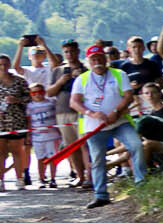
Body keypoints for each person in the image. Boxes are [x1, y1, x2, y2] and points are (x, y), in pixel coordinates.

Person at [72, 44, 145, 208]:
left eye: (100, 58)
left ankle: (141, 184)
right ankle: (101, 195)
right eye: (93, 59)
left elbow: (128, 96)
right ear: (88, 61)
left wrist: (116, 112)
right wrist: (92, 114)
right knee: (98, 159)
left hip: (120, 122)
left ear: (105, 59)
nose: (97, 61)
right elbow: (74, 102)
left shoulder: (119, 74)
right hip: (94, 126)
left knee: (136, 145)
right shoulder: (81, 79)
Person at [50, 41, 86, 187]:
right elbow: (49, 92)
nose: (69, 54)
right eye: (66, 52)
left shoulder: (85, 69)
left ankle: (90, 176)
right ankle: (80, 175)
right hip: (62, 111)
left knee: (85, 145)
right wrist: (61, 81)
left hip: (81, 111)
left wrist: (80, 77)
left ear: (78, 52)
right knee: (71, 146)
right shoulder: (58, 71)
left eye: (72, 51)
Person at [0, 55, 29, 191]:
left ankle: (20, 179)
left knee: (17, 150)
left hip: (16, 121)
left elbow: (29, 97)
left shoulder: (19, 81)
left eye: (5, 64)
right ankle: (1, 181)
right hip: (1, 122)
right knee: (1, 152)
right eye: (0, 65)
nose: (3, 67)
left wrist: (17, 100)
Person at [27, 83, 61, 187]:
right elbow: (28, 122)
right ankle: (41, 178)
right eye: (34, 93)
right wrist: (28, 136)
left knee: (52, 158)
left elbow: (58, 117)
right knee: (40, 158)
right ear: (30, 94)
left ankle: (53, 179)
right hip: (37, 137)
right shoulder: (29, 106)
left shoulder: (51, 103)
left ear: (44, 92)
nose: (37, 95)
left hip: (52, 136)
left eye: (40, 92)